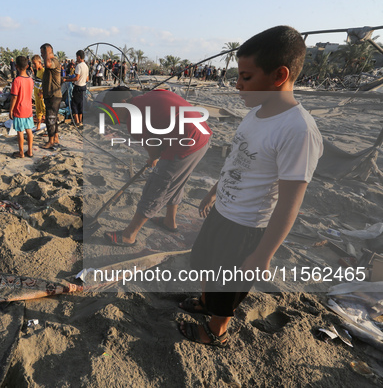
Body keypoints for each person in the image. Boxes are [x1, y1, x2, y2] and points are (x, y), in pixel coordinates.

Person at [178, 26, 323, 347]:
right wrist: (214, 191)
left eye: (246, 76)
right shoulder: (255, 114)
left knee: (227, 284)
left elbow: (289, 203)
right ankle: (205, 303)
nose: (237, 84)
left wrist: (263, 254)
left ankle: (216, 331)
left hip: (247, 227)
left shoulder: (298, 130)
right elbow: (237, 160)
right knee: (206, 264)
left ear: (279, 75)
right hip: (222, 211)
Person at [104, 88, 211, 247]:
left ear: (123, 104)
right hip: (203, 135)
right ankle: (169, 222)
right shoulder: (151, 94)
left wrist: (153, 158)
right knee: (176, 181)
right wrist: (154, 157)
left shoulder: (134, 119)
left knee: (158, 185)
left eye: (112, 111)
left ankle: (129, 235)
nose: (112, 116)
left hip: (186, 142)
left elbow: (154, 150)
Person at [9, 56, 34, 159]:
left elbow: (14, 97)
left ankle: (21, 152)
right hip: (28, 109)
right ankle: (30, 151)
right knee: (29, 130)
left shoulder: (17, 80)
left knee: (20, 131)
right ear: (27, 66)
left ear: (16, 66)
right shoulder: (30, 80)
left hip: (19, 109)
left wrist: (10, 110)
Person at [40, 43, 62, 150]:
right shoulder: (51, 61)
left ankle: (51, 141)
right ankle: (55, 138)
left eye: (42, 53)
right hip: (50, 95)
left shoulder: (54, 61)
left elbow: (48, 64)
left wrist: (47, 53)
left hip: (53, 95)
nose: (42, 56)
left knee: (50, 119)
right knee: (53, 118)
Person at [62, 50, 89, 125]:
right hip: (84, 87)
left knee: (74, 104)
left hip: (78, 87)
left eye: (77, 56)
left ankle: (77, 121)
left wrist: (67, 80)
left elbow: (76, 78)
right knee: (81, 104)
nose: (76, 58)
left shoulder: (78, 66)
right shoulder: (86, 66)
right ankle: (80, 121)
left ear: (79, 57)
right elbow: (87, 79)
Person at [31, 55, 46, 128]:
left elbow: (46, 84)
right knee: (38, 110)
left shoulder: (44, 71)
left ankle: (47, 127)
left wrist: (42, 92)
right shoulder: (37, 71)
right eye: (33, 64)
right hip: (37, 95)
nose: (33, 66)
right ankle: (38, 126)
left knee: (44, 110)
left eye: (35, 64)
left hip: (41, 95)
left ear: (39, 62)